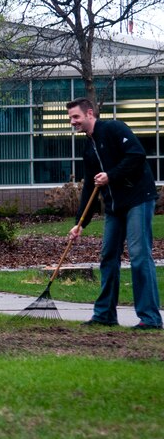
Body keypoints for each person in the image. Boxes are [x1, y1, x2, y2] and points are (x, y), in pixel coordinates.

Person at [66, 98, 162, 330]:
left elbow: (137, 155)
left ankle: (150, 318)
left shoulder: (114, 128)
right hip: (114, 207)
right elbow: (90, 186)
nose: (72, 122)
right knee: (108, 256)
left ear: (90, 113)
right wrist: (80, 223)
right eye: (70, 118)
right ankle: (105, 315)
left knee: (139, 255)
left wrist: (111, 175)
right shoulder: (88, 147)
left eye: (76, 117)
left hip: (138, 199)